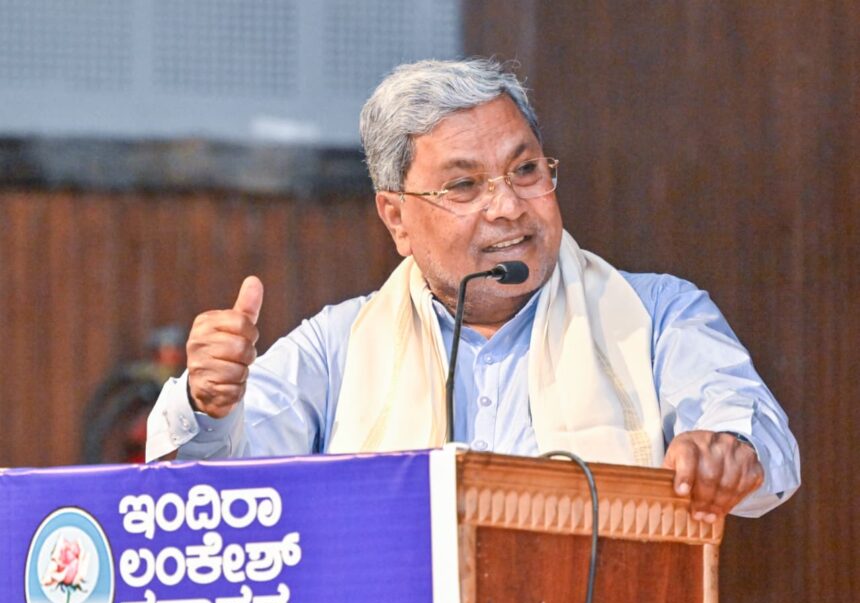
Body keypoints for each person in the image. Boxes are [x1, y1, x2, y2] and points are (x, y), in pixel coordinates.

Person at [146, 57, 799, 522]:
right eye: (464, 186)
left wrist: (729, 452)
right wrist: (210, 404)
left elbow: (763, 445)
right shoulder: (339, 347)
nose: (509, 207)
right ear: (396, 219)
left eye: (525, 169)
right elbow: (219, 501)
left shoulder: (656, 316)